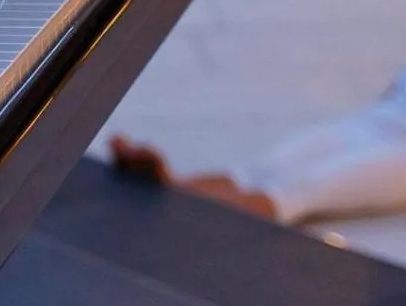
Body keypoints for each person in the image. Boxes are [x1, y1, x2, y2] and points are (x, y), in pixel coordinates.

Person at [111, 69, 406, 225]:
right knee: (261, 170)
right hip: (377, 119)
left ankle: (179, 217)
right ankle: (171, 186)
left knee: (298, 191)